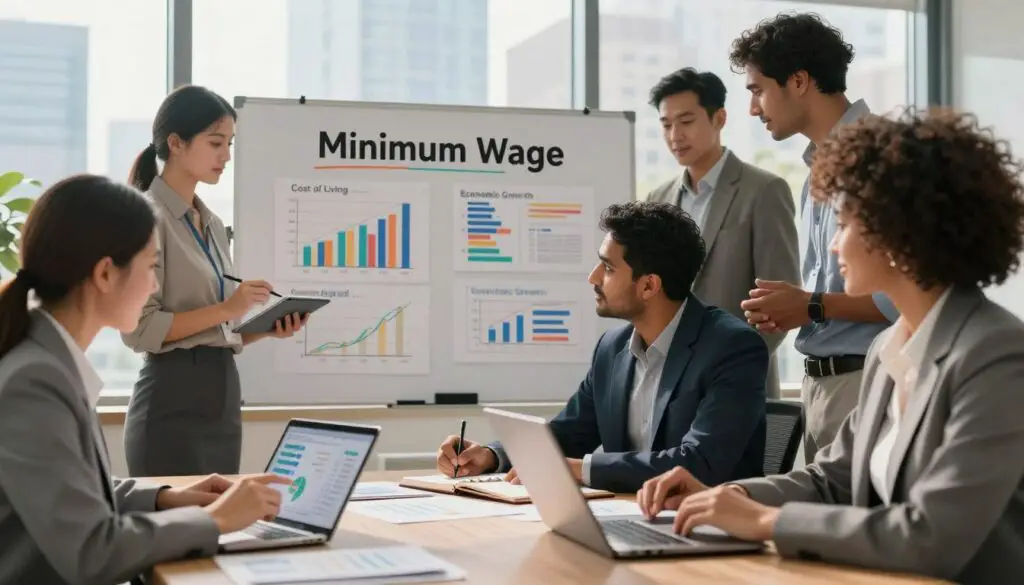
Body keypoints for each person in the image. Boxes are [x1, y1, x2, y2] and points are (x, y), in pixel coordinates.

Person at [635, 109, 1024, 584]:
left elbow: (933, 535)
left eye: (844, 224)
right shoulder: (889, 348)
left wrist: (766, 522)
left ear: (899, 234)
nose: (835, 246)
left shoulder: (996, 355)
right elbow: (830, 479)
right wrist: (730, 496)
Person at [0, 174, 291, 585]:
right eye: (151, 266)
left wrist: (168, 498)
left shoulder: (45, 361)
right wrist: (214, 519)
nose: (155, 284)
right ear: (105, 274)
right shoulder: (34, 379)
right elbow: (92, 551)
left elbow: (70, 488)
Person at [435, 201, 769, 493]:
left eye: (608, 267)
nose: (593, 277)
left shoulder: (732, 348)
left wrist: (581, 470)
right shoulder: (613, 347)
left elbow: (700, 463)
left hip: (710, 532)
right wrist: (492, 456)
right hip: (630, 514)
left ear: (649, 285)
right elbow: (569, 434)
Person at [729, 13, 899, 462]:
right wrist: (796, 310)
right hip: (823, 386)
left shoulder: (881, 158)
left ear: (799, 81)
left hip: (867, 380)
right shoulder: (817, 170)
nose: (753, 108)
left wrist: (811, 305)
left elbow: (903, 298)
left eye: (757, 90)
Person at [121, 84, 307, 477]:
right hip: (171, 402)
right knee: (177, 531)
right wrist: (228, 308)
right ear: (176, 142)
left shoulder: (213, 225)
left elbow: (214, 331)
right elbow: (141, 329)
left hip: (221, 397)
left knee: (219, 530)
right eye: (216, 143)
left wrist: (263, 330)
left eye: (230, 145)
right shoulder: (145, 218)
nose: (226, 156)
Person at [645, 67, 800, 399]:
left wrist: (736, 366)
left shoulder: (764, 191)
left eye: (686, 122)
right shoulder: (657, 200)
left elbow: (779, 303)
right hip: (666, 386)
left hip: (735, 385)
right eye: (666, 124)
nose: (675, 135)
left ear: (719, 119)